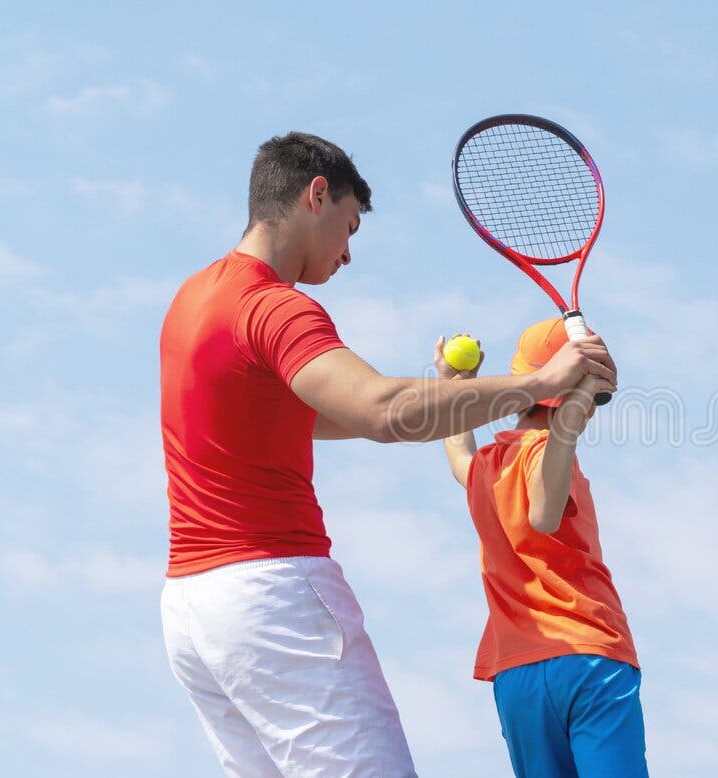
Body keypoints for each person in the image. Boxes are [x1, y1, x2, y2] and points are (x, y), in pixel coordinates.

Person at [158, 131, 617, 777]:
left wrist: (452, 396)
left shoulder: (193, 297)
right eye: (349, 227)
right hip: (274, 596)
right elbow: (379, 410)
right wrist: (542, 383)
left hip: (194, 612)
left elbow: (318, 415)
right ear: (316, 194)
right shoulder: (273, 306)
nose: (347, 255)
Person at [437, 319, 647, 778]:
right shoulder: (551, 452)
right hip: (589, 656)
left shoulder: (489, 466)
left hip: (517, 675)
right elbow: (543, 513)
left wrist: (454, 386)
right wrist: (566, 428)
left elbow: (459, 454)